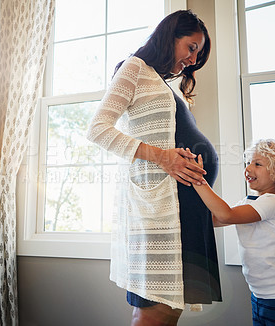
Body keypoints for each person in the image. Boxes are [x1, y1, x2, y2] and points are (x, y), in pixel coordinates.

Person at [86, 9, 222, 326]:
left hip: (183, 209)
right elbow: (98, 129)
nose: (192, 59)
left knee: (167, 311)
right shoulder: (135, 68)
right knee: (155, 312)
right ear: (170, 35)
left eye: (197, 53)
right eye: (191, 47)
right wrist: (164, 158)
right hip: (159, 210)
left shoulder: (163, 84)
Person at [186, 139, 275, 326]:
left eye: (257, 164)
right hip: (260, 297)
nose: (248, 168)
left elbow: (226, 215)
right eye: (248, 163)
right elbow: (215, 220)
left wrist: (199, 181)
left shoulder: (274, 202)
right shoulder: (249, 201)